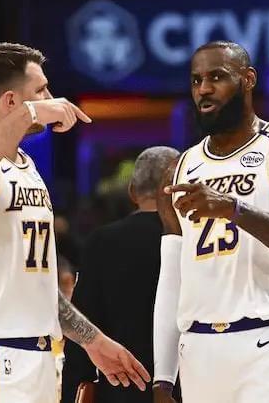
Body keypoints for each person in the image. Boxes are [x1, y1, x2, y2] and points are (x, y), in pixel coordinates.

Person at [0, 42, 150, 403]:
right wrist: (32, 112)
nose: (51, 99)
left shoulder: (27, 169)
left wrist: (92, 340)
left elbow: (38, 285)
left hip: (40, 357)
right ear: (12, 102)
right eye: (41, 90)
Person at [153, 41, 269, 403]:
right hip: (199, 348)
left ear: (248, 79)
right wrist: (163, 377)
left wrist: (235, 209)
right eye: (196, 80)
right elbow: (172, 280)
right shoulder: (178, 170)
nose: (204, 89)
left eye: (217, 77)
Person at [62, 146, 180, 403]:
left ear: (132, 192)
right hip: (186, 386)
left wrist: (72, 390)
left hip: (120, 387)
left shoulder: (101, 242)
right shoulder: (194, 241)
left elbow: (83, 324)